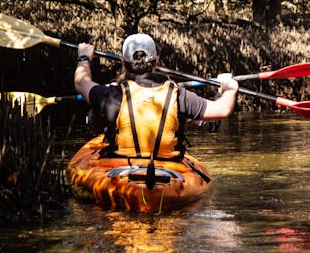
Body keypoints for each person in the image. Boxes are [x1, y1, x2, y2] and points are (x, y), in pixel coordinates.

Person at [73, 34, 238, 161]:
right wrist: (228, 88)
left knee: (95, 115)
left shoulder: (111, 94)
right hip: (167, 168)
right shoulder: (178, 94)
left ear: (123, 63)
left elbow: (81, 82)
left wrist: (84, 57)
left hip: (121, 167)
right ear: (156, 62)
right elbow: (222, 110)